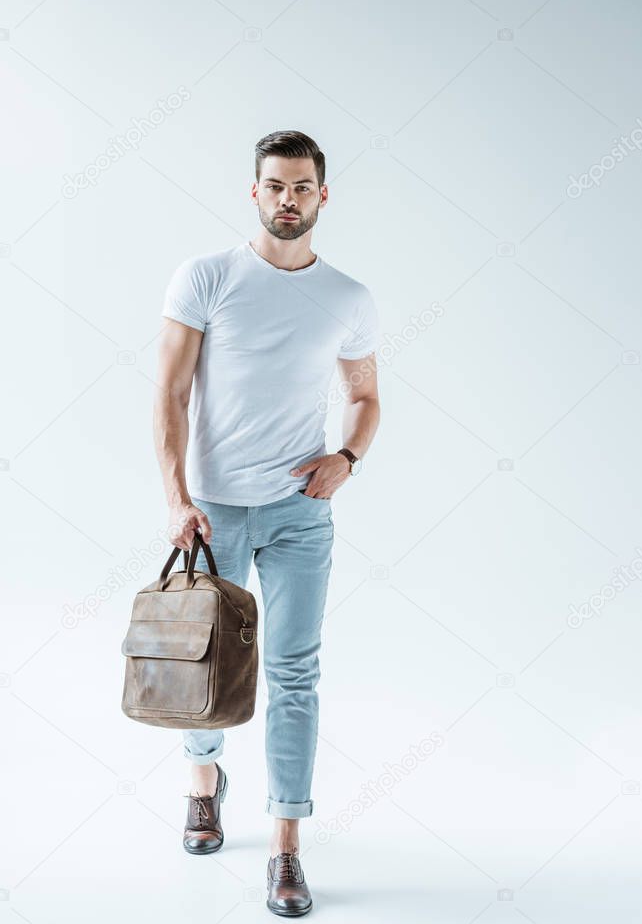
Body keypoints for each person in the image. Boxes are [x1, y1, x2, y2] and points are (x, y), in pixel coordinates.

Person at [153, 129, 380, 916]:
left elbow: (364, 394)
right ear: (255, 192)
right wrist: (178, 497)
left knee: (294, 673)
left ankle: (285, 845)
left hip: (298, 515)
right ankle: (203, 780)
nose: (289, 199)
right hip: (212, 512)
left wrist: (345, 457)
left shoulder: (347, 297)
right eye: (276, 186)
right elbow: (169, 394)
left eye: (303, 186)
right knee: (202, 667)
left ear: (323, 196)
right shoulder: (207, 277)